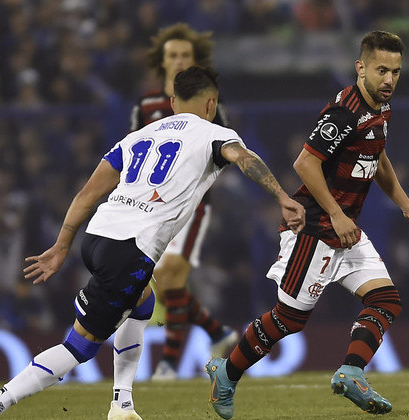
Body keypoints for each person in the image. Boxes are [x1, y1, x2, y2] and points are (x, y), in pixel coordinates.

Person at [0, 66, 305, 420]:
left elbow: (87, 194)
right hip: (131, 249)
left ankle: (122, 404)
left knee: (143, 301)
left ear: (173, 102)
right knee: (80, 345)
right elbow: (245, 159)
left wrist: (62, 245)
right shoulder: (214, 134)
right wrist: (282, 195)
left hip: (97, 237)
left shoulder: (137, 137)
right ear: (211, 103)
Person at [206, 31, 409, 419]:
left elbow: (377, 158)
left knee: (386, 300)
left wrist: (408, 207)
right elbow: (304, 163)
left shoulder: (381, 109)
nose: (389, 80)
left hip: (344, 229)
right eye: (381, 70)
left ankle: (350, 372)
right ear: (360, 68)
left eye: (396, 72)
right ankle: (225, 373)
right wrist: (335, 212)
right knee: (288, 319)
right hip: (314, 227)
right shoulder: (344, 111)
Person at [126, 22, 237, 382]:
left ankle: (169, 365)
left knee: (167, 275)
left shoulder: (210, 105)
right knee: (166, 282)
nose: (178, 61)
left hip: (190, 206)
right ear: (161, 62)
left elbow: (226, 150)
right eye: (172, 55)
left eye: (185, 55)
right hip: (152, 208)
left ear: (195, 61)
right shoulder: (146, 105)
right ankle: (218, 332)